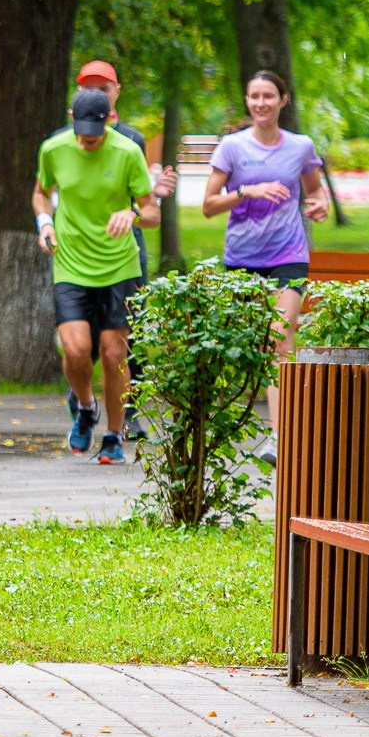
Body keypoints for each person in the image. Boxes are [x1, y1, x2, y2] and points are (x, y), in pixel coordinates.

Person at [203, 70, 330, 463]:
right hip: (242, 258)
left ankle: (279, 437)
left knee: (280, 339)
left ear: (283, 101)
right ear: (247, 101)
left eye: (268, 96)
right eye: (254, 96)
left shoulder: (300, 146)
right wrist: (247, 191)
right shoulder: (231, 148)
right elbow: (208, 206)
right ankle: (224, 425)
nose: (261, 103)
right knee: (248, 348)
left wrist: (320, 203)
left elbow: (314, 188)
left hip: (288, 255)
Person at [35, 86, 156, 466]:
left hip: (119, 265)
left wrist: (132, 214)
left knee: (113, 352)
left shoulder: (127, 151)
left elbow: (151, 212)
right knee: (73, 349)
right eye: (82, 129)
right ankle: (86, 407)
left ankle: (113, 435)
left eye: (96, 131)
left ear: (108, 121)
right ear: (72, 118)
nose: (88, 139)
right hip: (70, 262)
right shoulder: (53, 149)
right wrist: (44, 223)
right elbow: (41, 193)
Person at [73, 59, 177, 438]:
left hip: (126, 250)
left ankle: (129, 413)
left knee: (127, 333)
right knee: (83, 333)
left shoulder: (132, 139)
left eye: (105, 87)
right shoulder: (65, 139)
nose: (98, 94)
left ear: (117, 91)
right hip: (81, 251)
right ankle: (82, 400)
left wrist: (156, 197)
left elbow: (142, 202)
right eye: (90, 88)